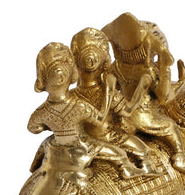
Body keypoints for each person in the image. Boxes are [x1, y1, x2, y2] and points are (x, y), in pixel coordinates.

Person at [102, 12, 185, 178]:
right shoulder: (148, 71)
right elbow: (164, 97)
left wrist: (181, 82)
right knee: (171, 127)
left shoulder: (117, 67)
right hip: (144, 117)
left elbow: (113, 86)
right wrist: (165, 68)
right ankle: (180, 157)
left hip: (122, 116)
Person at [27, 42, 146, 179]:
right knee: (119, 154)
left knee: (46, 144)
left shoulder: (42, 111)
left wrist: (52, 125)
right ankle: (127, 170)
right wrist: (110, 91)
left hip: (58, 147)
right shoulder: (79, 106)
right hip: (81, 146)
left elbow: (33, 128)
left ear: (42, 80)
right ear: (72, 75)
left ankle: (35, 169)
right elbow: (100, 120)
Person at [70, 27, 160, 176]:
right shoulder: (106, 92)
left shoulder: (72, 95)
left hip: (87, 139)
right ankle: (141, 169)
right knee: (142, 150)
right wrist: (142, 87)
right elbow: (128, 111)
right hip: (106, 137)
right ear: (105, 62)